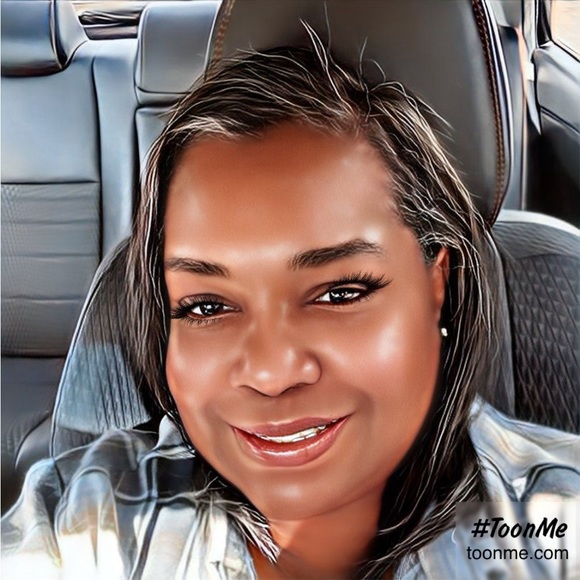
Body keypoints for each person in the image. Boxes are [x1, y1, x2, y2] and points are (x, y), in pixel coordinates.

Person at [2, 35, 579, 580]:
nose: (271, 373)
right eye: (206, 306)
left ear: (437, 286)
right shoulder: (88, 521)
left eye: (340, 293)